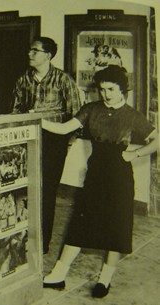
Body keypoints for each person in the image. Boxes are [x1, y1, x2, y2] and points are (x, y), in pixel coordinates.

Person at [42, 65, 158, 298]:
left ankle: (105, 279)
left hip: (120, 176)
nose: (106, 94)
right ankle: (58, 274)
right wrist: (37, 121)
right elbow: (65, 128)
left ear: (123, 89)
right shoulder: (91, 109)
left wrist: (135, 154)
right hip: (95, 174)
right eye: (102, 89)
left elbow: (156, 140)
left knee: (116, 227)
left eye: (111, 89)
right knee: (79, 222)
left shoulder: (132, 115)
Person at [12, 37, 82, 254]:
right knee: (25, 188)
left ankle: (42, 243)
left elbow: (77, 115)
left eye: (35, 51)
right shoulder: (23, 80)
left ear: (48, 55)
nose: (30, 54)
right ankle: (23, 234)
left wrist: (66, 142)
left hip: (54, 141)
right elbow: (14, 111)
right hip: (28, 138)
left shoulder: (63, 80)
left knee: (47, 191)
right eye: (29, 50)